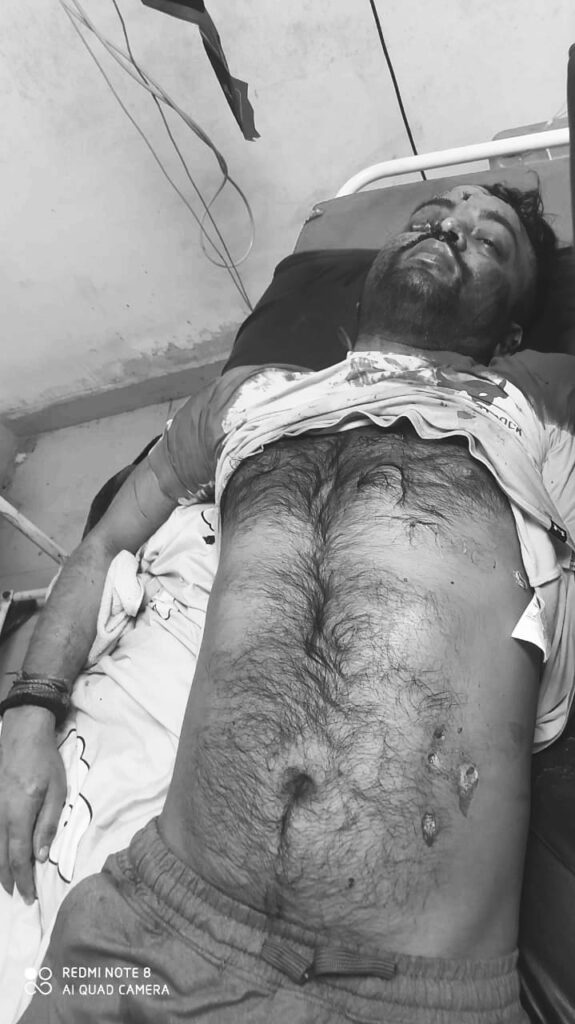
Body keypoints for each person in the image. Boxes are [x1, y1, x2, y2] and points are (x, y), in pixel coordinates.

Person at [5, 182, 575, 1024]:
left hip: (396, 993)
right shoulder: (247, 396)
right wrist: (28, 711)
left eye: (486, 240)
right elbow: (103, 544)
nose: (448, 232)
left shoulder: (534, 405)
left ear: (515, 331)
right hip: (137, 935)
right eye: (431, 219)